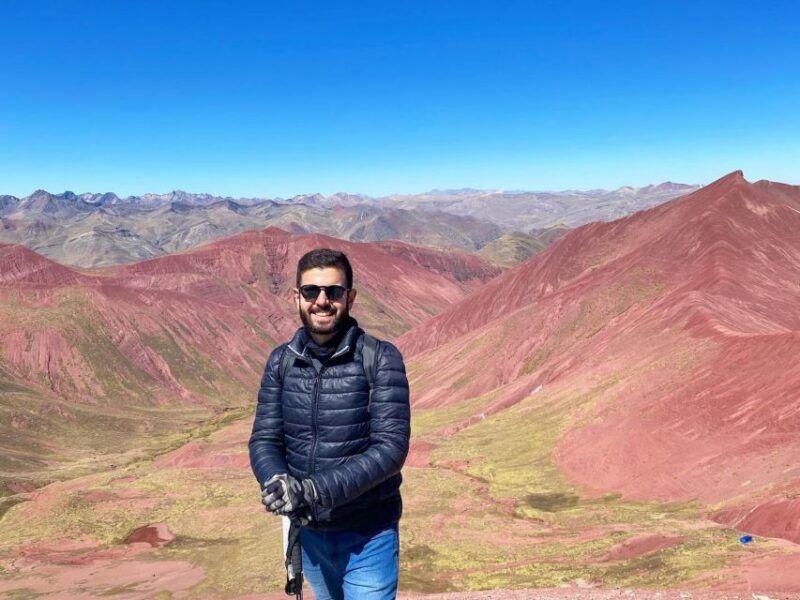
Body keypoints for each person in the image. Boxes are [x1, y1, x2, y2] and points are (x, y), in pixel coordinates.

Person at [248, 247, 411, 600]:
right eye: (311, 291)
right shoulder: (281, 362)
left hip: (369, 534)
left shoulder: (380, 359)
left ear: (349, 297)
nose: (322, 301)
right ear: (297, 297)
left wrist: (312, 490)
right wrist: (276, 480)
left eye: (333, 292)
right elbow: (265, 439)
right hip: (309, 534)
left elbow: (390, 449)